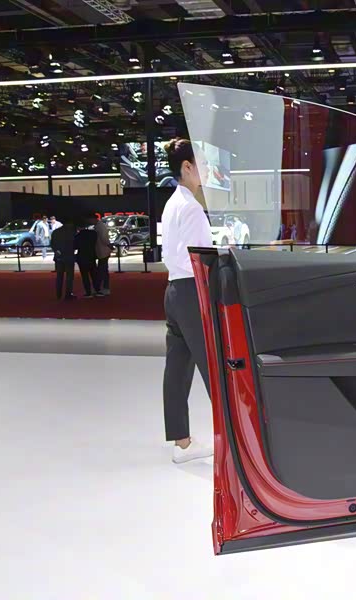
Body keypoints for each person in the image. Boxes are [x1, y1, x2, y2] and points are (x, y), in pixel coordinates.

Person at [161, 138, 214, 464]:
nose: (206, 170)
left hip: (174, 291)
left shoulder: (173, 203)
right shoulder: (191, 207)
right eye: (202, 164)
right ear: (187, 167)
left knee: (177, 369)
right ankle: (235, 440)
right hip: (193, 292)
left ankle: (182, 443)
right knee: (214, 367)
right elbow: (199, 258)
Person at [74, 216, 102, 299]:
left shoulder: (77, 236)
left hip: (82, 257)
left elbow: (75, 246)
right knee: (94, 274)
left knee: (85, 276)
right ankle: (97, 290)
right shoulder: (93, 234)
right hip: (92, 256)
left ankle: (88, 292)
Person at [51, 216, 77, 300]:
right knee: (69, 276)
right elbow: (74, 244)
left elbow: (52, 244)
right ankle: (68, 293)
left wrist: (57, 251)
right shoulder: (72, 232)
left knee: (59, 276)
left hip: (59, 257)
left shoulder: (55, 232)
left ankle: (58, 294)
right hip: (69, 256)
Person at [94, 215, 112, 296]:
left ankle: (105, 288)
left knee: (103, 270)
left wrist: (108, 245)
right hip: (103, 251)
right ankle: (103, 288)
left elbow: (104, 239)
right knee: (103, 270)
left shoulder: (100, 226)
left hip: (103, 251)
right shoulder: (99, 226)